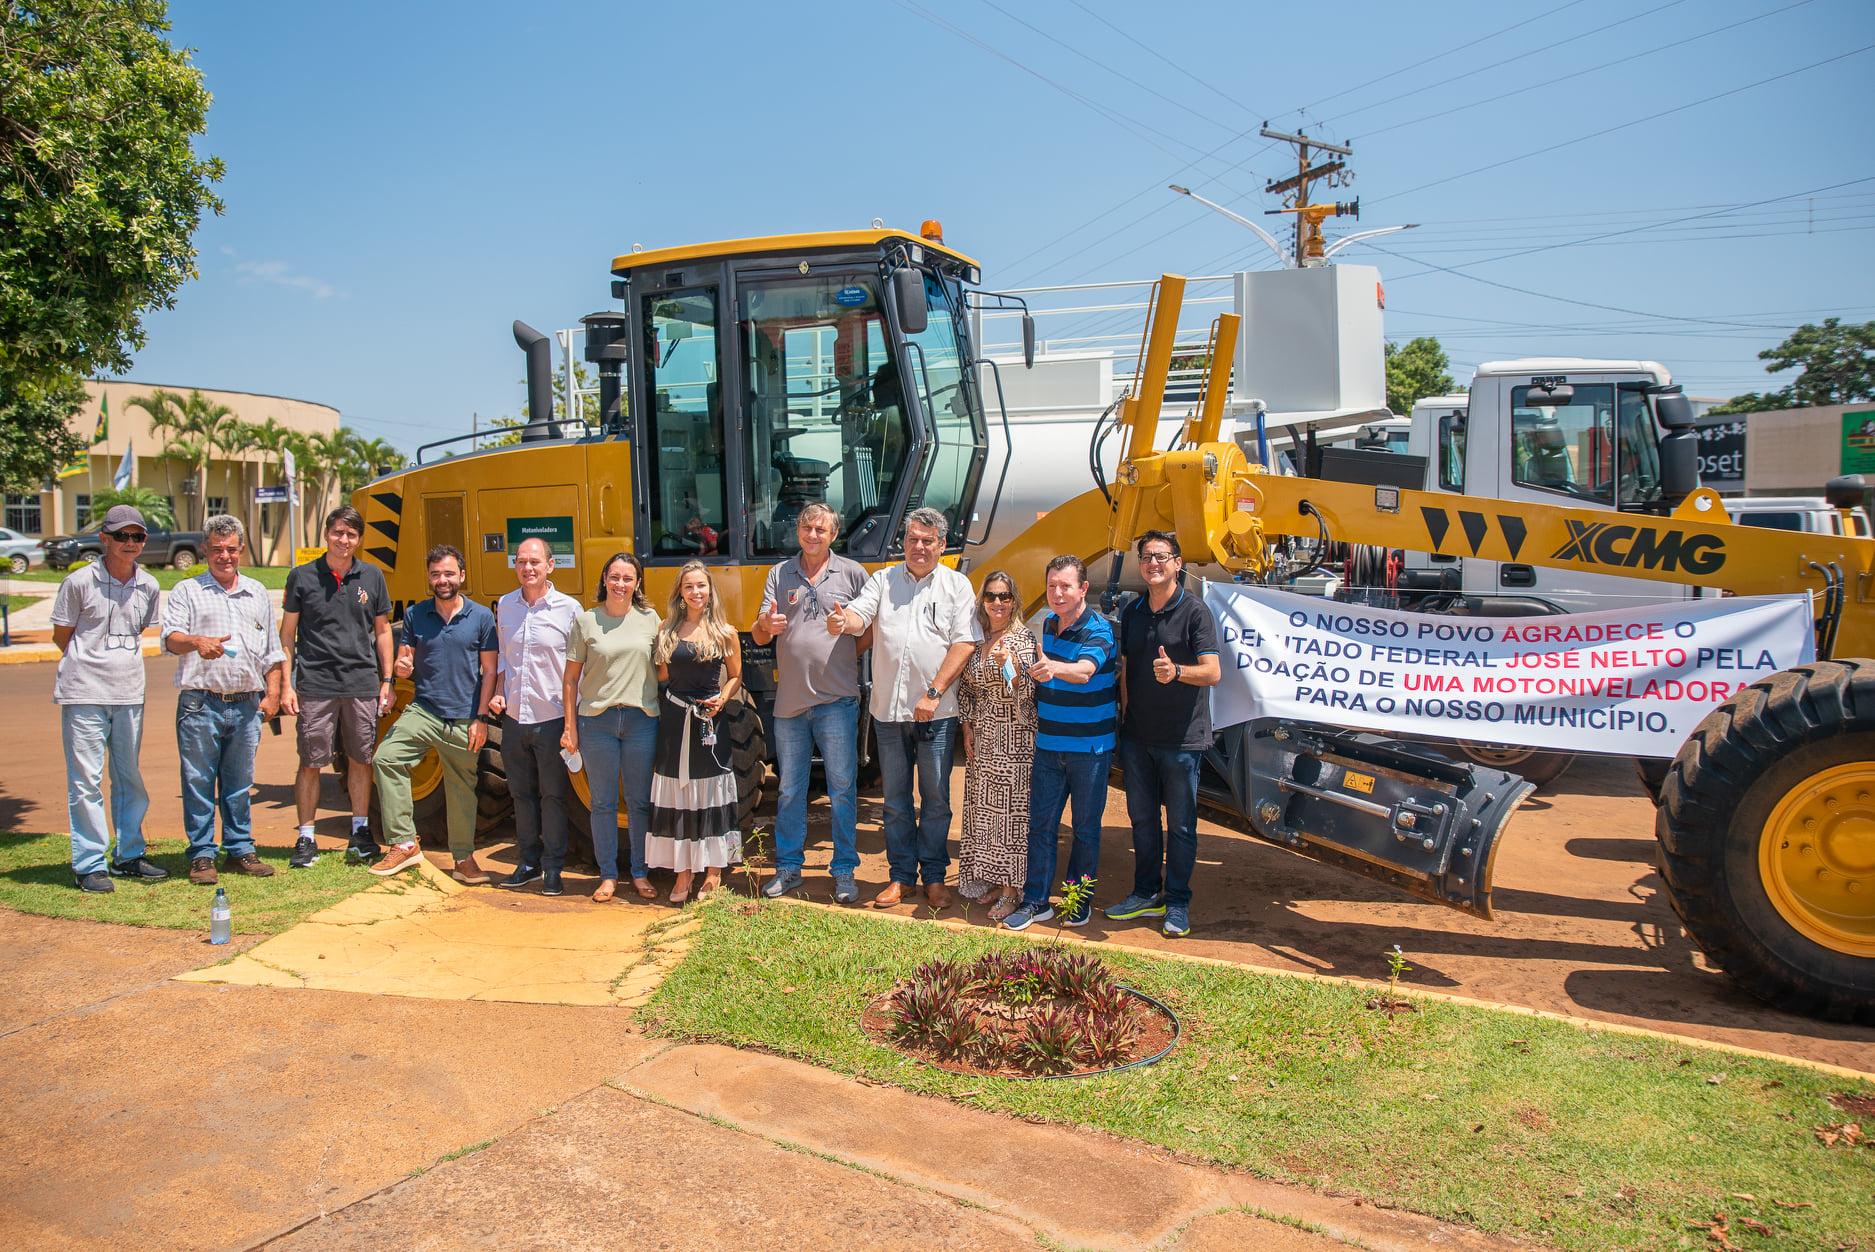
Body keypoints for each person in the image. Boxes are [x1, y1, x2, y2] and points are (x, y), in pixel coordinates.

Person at [827, 506, 979, 910]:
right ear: (904, 542)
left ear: (942, 545)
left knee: (936, 799)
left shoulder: (957, 586)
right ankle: (899, 877)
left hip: (937, 713)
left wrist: (933, 692)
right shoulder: (883, 579)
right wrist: (845, 622)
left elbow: (964, 642)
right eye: (912, 539)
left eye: (928, 541)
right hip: (888, 714)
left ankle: (933, 877)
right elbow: (862, 615)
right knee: (895, 801)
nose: (919, 547)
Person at [1104, 531, 1221, 939]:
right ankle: (1145, 893)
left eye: (1161, 556)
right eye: (1147, 557)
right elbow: (1126, 669)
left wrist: (1178, 673)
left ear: (1177, 562)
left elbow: (1213, 672)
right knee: (1142, 820)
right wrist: (1125, 716)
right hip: (1138, 737)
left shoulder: (1195, 612)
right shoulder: (1134, 612)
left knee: (1182, 826)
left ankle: (1178, 902)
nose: (1153, 563)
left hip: (1182, 741)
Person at [161, 516, 287, 885]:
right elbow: (170, 639)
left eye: (231, 549)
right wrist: (197, 641)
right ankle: (201, 855)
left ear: (241, 550)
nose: (224, 556)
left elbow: (271, 650)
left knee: (239, 782)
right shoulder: (188, 591)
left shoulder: (257, 592)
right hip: (201, 703)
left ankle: (240, 849)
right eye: (216, 549)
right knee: (198, 780)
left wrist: (274, 692)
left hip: (247, 703)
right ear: (205, 550)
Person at [753, 503, 869, 905]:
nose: (813, 535)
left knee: (842, 789)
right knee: (789, 790)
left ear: (833, 534)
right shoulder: (780, 573)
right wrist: (766, 626)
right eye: (807, 527)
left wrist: (847, 647)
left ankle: (844, 872)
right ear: (798, 531)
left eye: (821, 529)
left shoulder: (853, 573)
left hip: (837, 701)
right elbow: (760, 633)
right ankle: (788, 869)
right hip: (790, 704)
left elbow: (869, 627)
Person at [1002, 554, 1118, 933]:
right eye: (1052, 585)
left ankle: (1076, 901)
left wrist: (1054, 668)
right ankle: (1036, 901)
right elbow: (1046, 675)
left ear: (1083, 588)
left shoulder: (1099, 629)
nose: (1057, 593)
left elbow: (1085, 671)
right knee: (1041, 826)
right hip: (1049, 746)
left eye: (1065, 586)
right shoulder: (1050, 624)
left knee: (1085, 829)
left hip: (1090, 751)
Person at [52, 504, 164, 893]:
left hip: (130, 691)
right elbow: (61, 635)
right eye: (122, 536)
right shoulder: (80, 582)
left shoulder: (149, 585)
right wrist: (91, 658)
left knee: (129, 776)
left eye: (137, 536)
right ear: (104, 539)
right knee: (86, 780)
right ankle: (89, 863)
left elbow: (140, 631)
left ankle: (129, 854)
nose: (130, 543)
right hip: (83, 691)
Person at [371, 545, 497, 881]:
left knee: (461, 790)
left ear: (462, 576)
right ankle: (403, 843)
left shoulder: (482, 617)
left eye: (449, 573)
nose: (442, 580)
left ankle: (464, 860)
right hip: (424, 711)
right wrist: (400, 667)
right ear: (429, 577)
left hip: (464, 718)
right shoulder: (416, 615)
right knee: (386, 758)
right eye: (436, 574)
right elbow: (403, 663)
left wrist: (481, 718)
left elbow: (490, 672)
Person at [280, 507, 394, 868]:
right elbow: (287, 634)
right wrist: (288, 684)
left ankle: (360, 833)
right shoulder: (302, 577)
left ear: (359, 539)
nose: (344, 540)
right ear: (326, 534)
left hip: (362, 683)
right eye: (338, 533)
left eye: (351, 535)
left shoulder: (372, 577)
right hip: (316, 684)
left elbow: (382, 631)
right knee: (312, 760)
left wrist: (387, 680)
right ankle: (306, 837)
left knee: (361, 759)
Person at [560, 552, 661, 903]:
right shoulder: (586, 622)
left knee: (639, 802)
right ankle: (607, 875)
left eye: (628, 578)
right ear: (604, 579)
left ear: (637, 583)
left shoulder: (651, 620)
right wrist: (569, 728)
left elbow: (663, 670)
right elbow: (571, 679)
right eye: (614, 577)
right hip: (597, 722)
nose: (620, 584)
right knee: (602, 803)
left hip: (641, 721)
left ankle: (640, 872)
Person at [647, 560, 744, 903]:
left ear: (710, 591)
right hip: (675, 722)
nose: (696, 592)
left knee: (711, 793)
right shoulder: (665, 630)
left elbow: (735, 676)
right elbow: (661, 677)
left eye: (701, 585)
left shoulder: (725, 632)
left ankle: (713, 873)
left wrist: (723, 698)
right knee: (679, 795)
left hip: (710, 721)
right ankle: (682, 874)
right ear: (680, 593)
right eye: (689, 586)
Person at [489, 537, 580, 894]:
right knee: (520, 795)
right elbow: (502, 660)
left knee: (553, 796)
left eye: (535, 562)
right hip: (514, 718)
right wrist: (498, 692)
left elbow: (577, 671)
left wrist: (572, 723)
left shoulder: (569, 610)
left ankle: (552, 868)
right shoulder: (506, 607)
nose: (528, 568)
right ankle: (527, 861)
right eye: (522, 561)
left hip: (552, 717)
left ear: (550, 566)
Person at [955, 571, 1040, 922]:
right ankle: (992, 877)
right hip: (985, 736)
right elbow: (968, 689)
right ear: (982, 601)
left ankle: (1011, 890)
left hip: (1015, 740)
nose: (998, 603)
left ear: (1014, 600)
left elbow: (1027, 691)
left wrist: (1013, 671)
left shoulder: (1022, 640)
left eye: (1004, 596)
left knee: (1011, 817)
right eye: (991, 596)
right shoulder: (979, 639)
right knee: (985, 813)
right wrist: (967, 726)